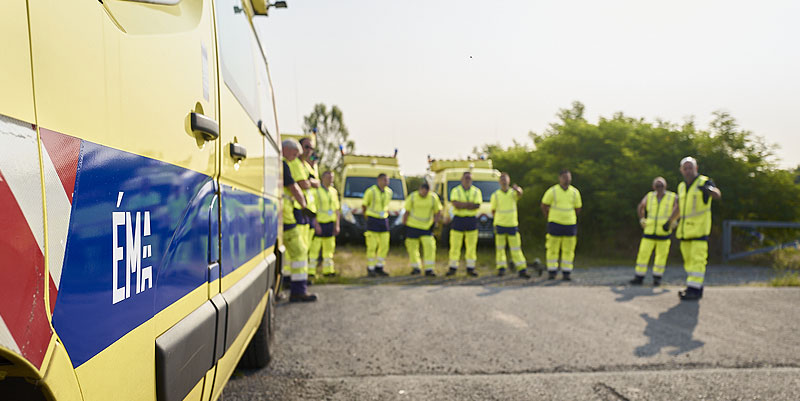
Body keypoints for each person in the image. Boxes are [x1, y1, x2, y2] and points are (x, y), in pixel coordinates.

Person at [663, 157, 721, 300]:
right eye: (685, 168)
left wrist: (710, 190)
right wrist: (670, 221)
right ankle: (694, 287)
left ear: (696, 168)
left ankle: (693, 290)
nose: (688, 170)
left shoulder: (704, 181)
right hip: (685, 232)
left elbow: (717, 194)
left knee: (697, 261)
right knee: (689, 263)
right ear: (681, 170)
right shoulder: (681, 187)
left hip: (699, 231)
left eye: (690, 167)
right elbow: (680, 208)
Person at [281, 139, 317, 302]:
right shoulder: (283, 164)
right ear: (286, 150)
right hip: (286, 216)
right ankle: (298, 291)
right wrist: (304, 206)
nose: (296, 157)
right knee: (300, 251)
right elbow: (295, 187)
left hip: (279, 215)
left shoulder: (275, 163)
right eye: (294, 153)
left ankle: (282, 287)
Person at [630, 177, 677, 286]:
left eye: (661, 185)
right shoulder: (649, 196)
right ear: (653, 186)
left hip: (664, 232)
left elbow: (680, 207)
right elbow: (641, 206)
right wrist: (642, 218)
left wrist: (674, 220)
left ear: (665, 186)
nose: (659, 187)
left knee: (661, 256)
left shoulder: (672, 196)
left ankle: (657, 278)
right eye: (657, 185)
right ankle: (639, 277)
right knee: (643, 254)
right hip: (649, 231)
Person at [540, 169, 582, 281]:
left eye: (568, 177)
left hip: (570, 224)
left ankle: (566, 272)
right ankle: (552, 271)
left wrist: (570, 217)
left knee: (568, 249)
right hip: (555, 224)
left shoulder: (575, 192)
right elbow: (544, 205)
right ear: (560, 178)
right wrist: (549, 217)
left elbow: (578, 208)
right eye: (564, 177)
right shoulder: (552, 191)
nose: (566, 179)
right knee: (552, 248)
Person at [490, 173, 532, 278]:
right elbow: (493, 210)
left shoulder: (513, 193)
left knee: (516, 248)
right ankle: (501, 269)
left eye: (505, 179)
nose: (504, 181)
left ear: (509, 181)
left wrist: (517, 189)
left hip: (512, 225)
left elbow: (520, 194)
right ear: (499, 182)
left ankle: (522, 269)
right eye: (502, 179)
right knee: (500, 248)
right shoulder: (495, 195)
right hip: (500, 224)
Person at [403, 182, 443, 277]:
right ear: (419, 189)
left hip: (426, 227)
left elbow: (438, 211)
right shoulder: (413, 196)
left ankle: (429, 269)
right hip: (412, 226)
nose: (424, 194)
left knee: (430, 246)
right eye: (423, 192)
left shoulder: (433, 197)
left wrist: (435, 223)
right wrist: (404, 224)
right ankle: (416, 267)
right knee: (412, 247)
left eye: (426, 192)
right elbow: (407, 211)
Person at [446, 171, 482, 277]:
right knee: (455, 245)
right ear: (462, 179)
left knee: (471, 245)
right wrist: (469, 205)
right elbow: (455, 204)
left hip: (471, 220)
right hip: (458, 220)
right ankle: (453, 267)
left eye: (469, 178)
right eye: (466, 178)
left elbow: (477, 205)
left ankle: (470, 268)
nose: (467, 180)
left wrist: (463, 205)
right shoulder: (455, 190)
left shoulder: (476, 191)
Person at [309, 171, 340, 277]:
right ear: (323, 178)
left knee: (329, 249)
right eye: (328, 177)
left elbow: (336, 209)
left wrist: (337, 225)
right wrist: (316, 224)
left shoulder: (333, 191)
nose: (330, 180)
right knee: (314, 249)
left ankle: (328, 271)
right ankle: (311, 272)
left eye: (332, 178)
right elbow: (313, 209)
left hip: (330, 223)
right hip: (319, 223)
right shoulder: (316, 191)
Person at [362, 173, 393, 277]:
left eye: (387, 180)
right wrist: (367, 217)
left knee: (384, 244)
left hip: (383, 220)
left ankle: (380, 267)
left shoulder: (389, 192)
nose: (386, 182)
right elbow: (364, 206)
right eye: (384, 180)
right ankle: (370, 268)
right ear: (379, 180)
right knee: (372, 245)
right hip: (373, 220)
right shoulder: (371, 191)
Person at [299, 137, 321, 281]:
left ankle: (302, 276)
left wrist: (311, 181)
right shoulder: (297, 164)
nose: (309, 151)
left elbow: (315, 183)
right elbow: (304, 183)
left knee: (306, 247)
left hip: (310, 212)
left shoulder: (308, 167)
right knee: (300, 248)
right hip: (299, 210)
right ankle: (295, 278)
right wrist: (311, 182)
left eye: (311, 148)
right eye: (306, 147)